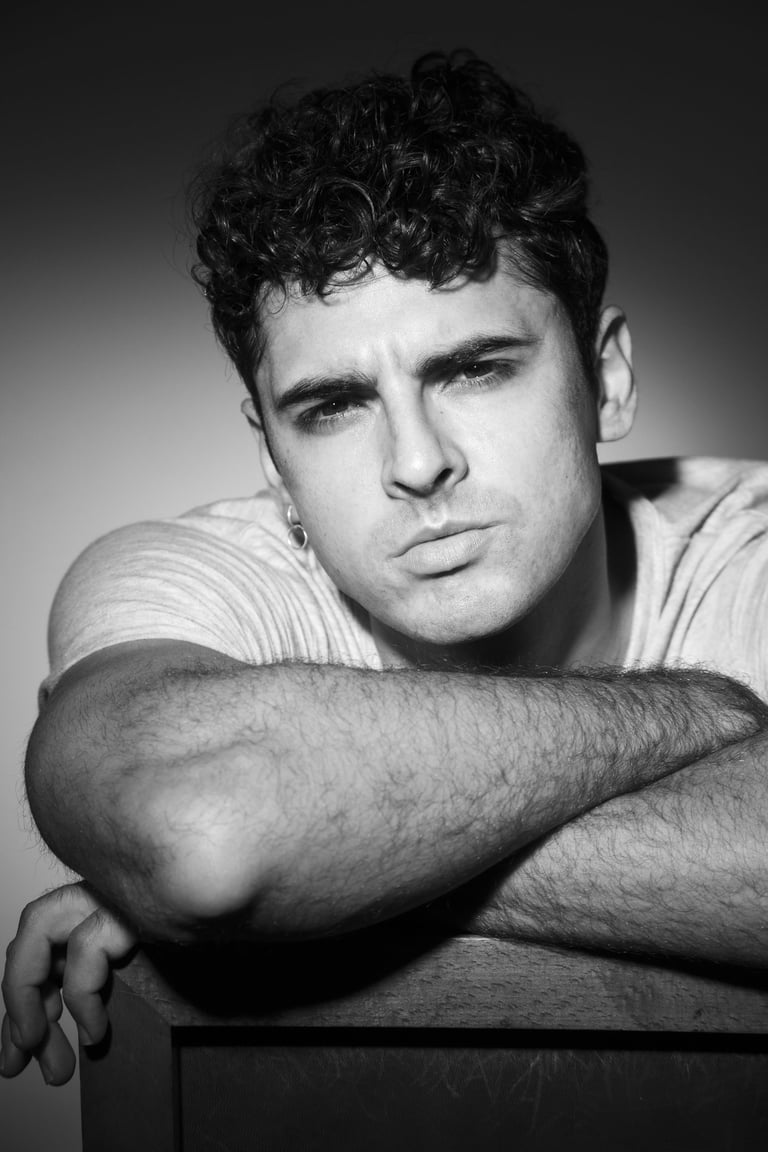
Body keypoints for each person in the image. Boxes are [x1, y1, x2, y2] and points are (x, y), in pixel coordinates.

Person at [2, 50, 768, 1089]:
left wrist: (322, 873)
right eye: (333, 406)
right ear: (273, 460)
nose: (416, 463)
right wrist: (704, 714)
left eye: (476, 370)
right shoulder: (190, 574)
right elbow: (202, 834)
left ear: (607, 379)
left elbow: (225, 866)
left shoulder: (747, 548)